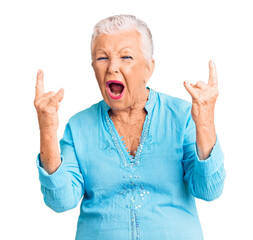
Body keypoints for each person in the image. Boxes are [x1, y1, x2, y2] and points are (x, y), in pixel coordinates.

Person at [34, 14, 225, 240]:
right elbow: (61, 200)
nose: (113, 67)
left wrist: (204, 122)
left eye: (126, 56)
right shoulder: (79, 127)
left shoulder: (182, 116)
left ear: (148, 68)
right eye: (102, 58)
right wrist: (47, 128)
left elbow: (208, 189)